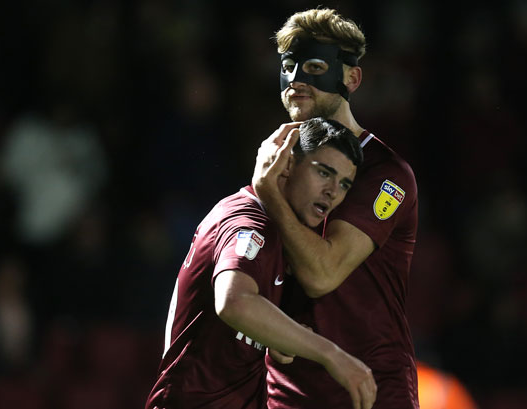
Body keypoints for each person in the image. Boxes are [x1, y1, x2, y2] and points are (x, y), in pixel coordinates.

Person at [145, 118, 377, 409]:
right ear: (287, 164)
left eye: (344, 184)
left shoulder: (283, 233)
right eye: (323, 172)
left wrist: (280, 335)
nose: (333, 191)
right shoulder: (249, 222)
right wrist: (332, 355)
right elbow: (234, 302)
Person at [252, 8, 420, 408]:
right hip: (290, 392)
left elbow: (322, 274)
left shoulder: (386, 174)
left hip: (371, 390)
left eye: (313, 66)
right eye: (289, 67)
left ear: (352, 77)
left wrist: (268, 192)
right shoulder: (280, 158)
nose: (296, 81)